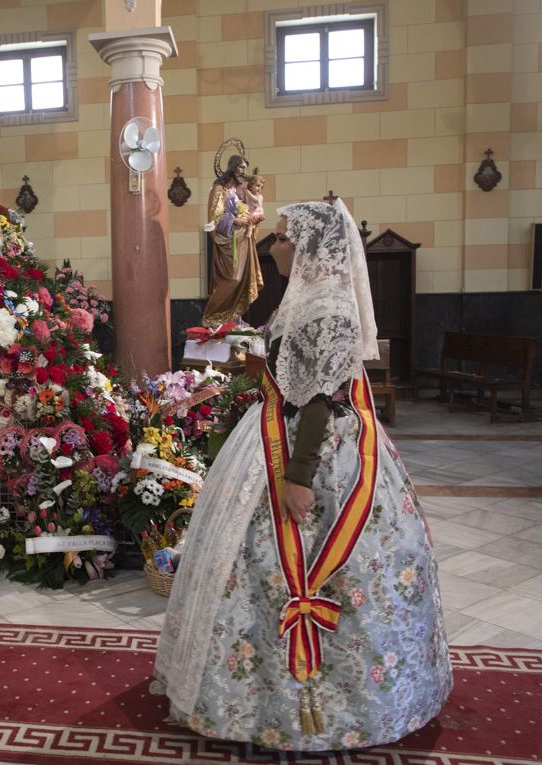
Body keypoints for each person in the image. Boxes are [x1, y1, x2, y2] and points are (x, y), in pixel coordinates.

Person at [155, 199, 452, 751]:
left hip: (315, 452)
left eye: (286, 238)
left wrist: (299, 477)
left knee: (328, 566)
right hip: (277, 430)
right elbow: (290, 379)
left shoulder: (329, 306)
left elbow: (320, 399)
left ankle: (335, 707)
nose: (274, 246)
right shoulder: (303, 297)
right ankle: (249, 697)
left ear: (314, 246)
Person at [200, 155, 263, 329]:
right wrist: (234, 221)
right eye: (241, 168)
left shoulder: (239, 192)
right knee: (233, 279)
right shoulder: (219, 190)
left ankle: (231, 316)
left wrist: (253, 219)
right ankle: (211, 315)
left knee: (242, 281)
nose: (244, 172)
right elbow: (214, 217)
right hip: (229, 242)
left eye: (245, 168)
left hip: (243, 240)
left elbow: (249, 209)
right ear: (232, 168)